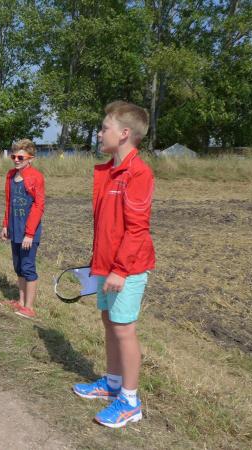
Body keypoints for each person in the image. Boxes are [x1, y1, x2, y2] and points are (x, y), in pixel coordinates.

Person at [71, 101, 155, 428]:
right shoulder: (108, 171)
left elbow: (137, 229)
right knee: (109, 321)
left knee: (124, 328)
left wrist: (120, 269)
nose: (99, 133)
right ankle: (112, 382)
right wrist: (101, 263)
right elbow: (107, 225)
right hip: (107, 264)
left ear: (124, 134)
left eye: (104, 128)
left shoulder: (138, 173)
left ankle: (130, 402)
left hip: (128, 267)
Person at [0, 139, 45, 319]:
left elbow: (38, 206)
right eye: (14, 157)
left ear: (30, 158)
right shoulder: (10, 175)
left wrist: (30, 234)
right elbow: (8, 203)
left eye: (20, 157)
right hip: (14, 229)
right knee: (18, 267)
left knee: (28, 267)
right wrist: (5, 225)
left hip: (28, 233)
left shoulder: (36, 177)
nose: (16, 160)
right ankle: (20, 301)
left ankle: (29, 307)